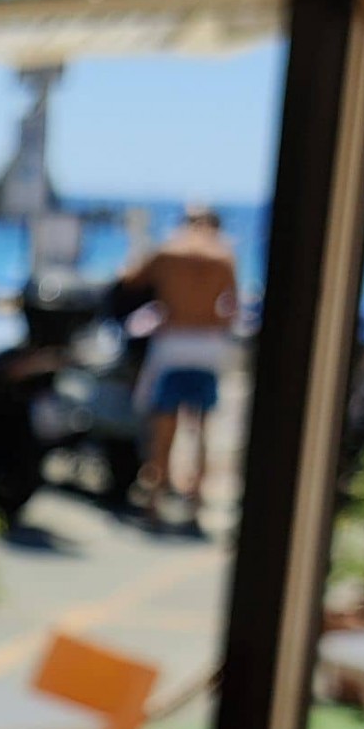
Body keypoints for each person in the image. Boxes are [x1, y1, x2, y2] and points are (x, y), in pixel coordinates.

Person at [120, 205, 239, 524]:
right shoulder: (223, 253)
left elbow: (130, 280)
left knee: (164, 425)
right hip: (208, 345)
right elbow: (233, 309)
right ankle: (196, 500)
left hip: (173, 342)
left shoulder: (169, 248)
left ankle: (155, 499)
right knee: (202, 427)